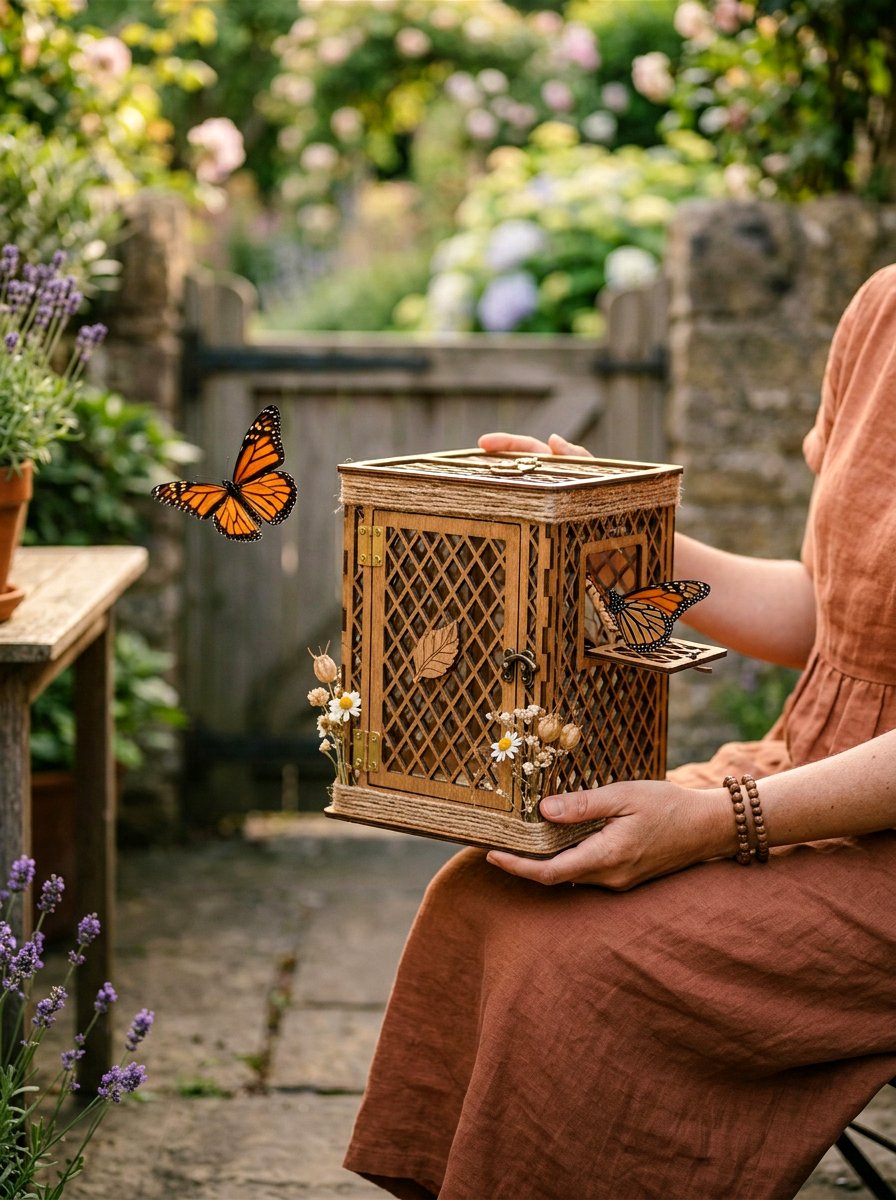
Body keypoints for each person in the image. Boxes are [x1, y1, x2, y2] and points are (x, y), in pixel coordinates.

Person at [342, 265, 896, 1199]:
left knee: (577, 970)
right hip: (812, 766)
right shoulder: (883, 311)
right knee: (488, 893)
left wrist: (722, 821)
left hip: (853, 832)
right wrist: (612, 525)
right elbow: (829, 608)